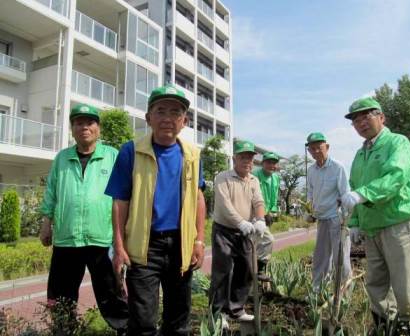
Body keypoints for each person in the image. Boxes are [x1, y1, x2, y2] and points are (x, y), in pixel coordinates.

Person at [105, 85, 206, 336]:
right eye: (160, 111)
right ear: (148, 117)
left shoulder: (192, 155)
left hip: (181, 244)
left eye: (175, 112)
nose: (168, 118)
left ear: (185, 121)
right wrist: (118, 247)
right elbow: (120, 202)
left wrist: (200, 240)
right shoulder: (131, 151)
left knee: (179, 319)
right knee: (143, 321)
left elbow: (199, 198)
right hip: (144, 246)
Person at [39, 103, 128, 334]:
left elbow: (124, 195)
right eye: (79, 123)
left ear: (98, 128)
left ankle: (124, 330)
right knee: (61, 297)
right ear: (72, 128)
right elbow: (51, 192)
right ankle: (64, 329)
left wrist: (123, 237)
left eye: (90, 122)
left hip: (102, 238)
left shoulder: (112, 156)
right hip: (67, 240)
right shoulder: (62, 158)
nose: (84, 127)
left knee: (112, 295)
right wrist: (46, 223)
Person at [341, 97, 410, 331]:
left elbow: (397, 176)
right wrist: (356, 222)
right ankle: (384, 326)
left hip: (398, 223)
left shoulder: (397, 143)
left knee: (406, 280)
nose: (360, 123)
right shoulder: (360, 155)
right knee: (376, 282)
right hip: (372, 228)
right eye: (355, 120)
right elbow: (354, 184)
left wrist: (363, 194)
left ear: (381, 117)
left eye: (365, 116)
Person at [209, 140, 265, 327]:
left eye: (250, 157)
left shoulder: (254, 180)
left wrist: (260, 220)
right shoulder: (222, 177)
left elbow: (258, 202)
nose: (247, 161)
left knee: (247, 269)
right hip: (224, 230)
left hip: (246, 232)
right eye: (242, 157)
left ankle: (236, 309)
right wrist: (240, 222)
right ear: (234, 158)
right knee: (223, 270)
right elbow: (225, 206)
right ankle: (217, 313)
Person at [305, 132, 351, 291]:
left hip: (337, 219)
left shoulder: (337, 168)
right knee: (320, 257)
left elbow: (345, 194)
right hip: (321, 219)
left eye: (319, 147)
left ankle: (344, 291)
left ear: (327, 147)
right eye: (312, 149)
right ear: (309, 151)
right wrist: (309, 211)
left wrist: (346, 221)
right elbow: (310, 193)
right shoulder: (311, 171)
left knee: (340, 257)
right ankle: (318, 289)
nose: (316, 151)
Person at [252, 152, 280, 281]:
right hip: (253, 213)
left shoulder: (275, 178)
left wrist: (272, 212)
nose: (271, 165)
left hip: (266, 214)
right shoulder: (255, 175)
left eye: (274, 163)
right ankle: (258, 269)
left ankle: (254, 269)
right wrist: (262, 214)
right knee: (268, 239)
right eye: (268, 162)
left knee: (258, 241)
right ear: (263, 163)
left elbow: (274, 196)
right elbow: (254, 196)